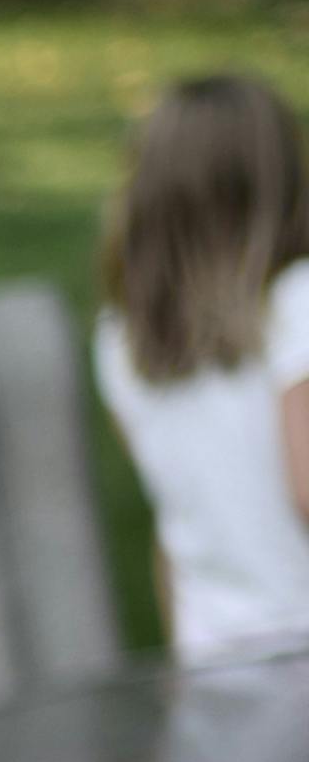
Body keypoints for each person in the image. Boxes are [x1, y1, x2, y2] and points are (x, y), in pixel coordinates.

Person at [94, 73, 309, 663]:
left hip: (214, 660)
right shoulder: (298, 302)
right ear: (279, 183)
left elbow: (174, 522)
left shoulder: (121, 339)